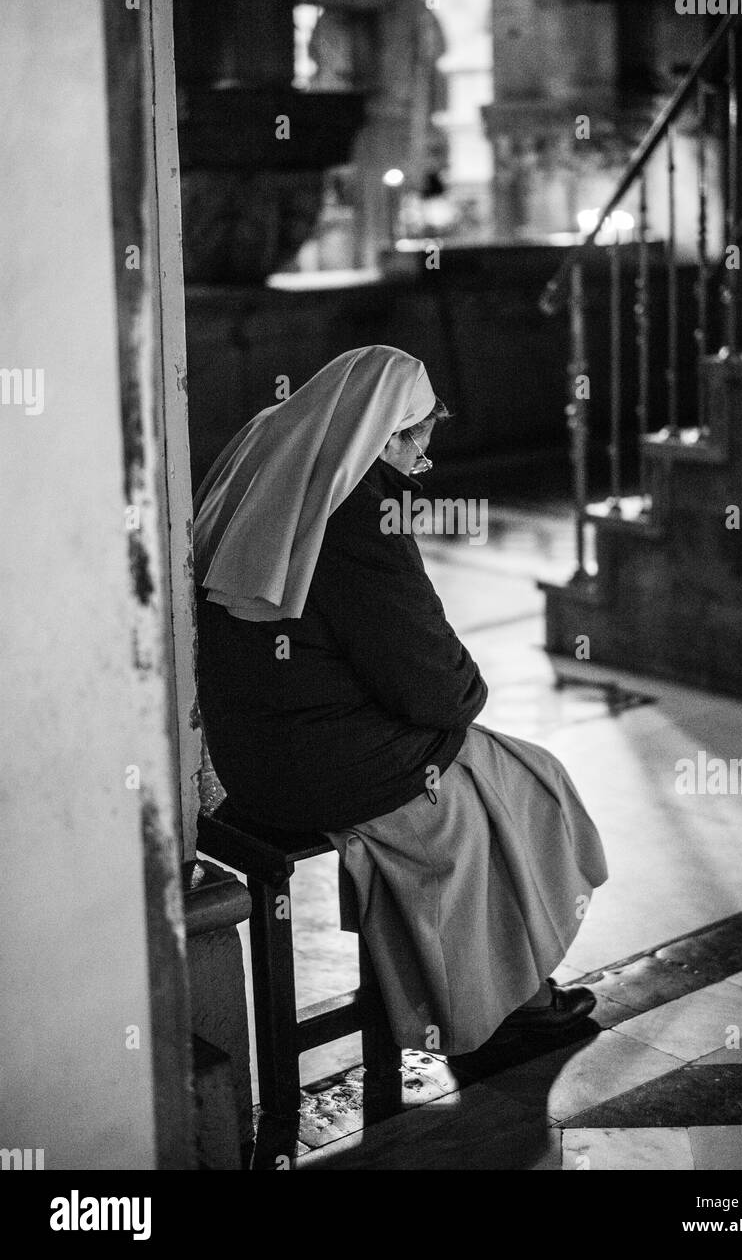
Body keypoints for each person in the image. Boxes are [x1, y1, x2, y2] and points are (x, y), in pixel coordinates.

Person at [194, 345, 608, 1056]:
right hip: (319, 769)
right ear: (382, 434)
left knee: (494, 776)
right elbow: (433, 688)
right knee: (518, 787)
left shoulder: (274, 459)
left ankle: (511, 988)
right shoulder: (356, 512)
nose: (422, 462)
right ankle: (500, 1005)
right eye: (417, 442)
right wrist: (467, 688)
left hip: (246, 752)